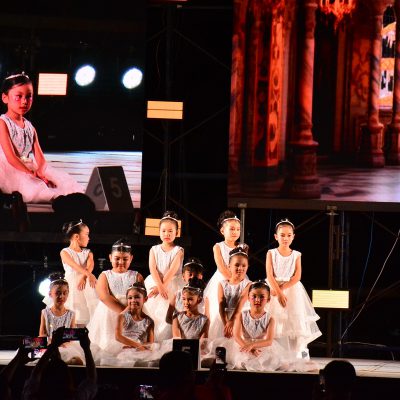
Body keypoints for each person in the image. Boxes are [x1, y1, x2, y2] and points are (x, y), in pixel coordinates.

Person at [0, 72, 83, 203]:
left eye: (29, 96)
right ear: (5, 98)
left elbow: (40, 158)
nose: (24, 101)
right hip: (10, 167)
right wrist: (31, 174)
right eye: (18, 97)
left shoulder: (30, 127)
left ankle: (68, 200)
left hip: (27, 165)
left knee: (61, 182)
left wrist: (40, 171)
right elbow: (11, 157)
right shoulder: (3, 122)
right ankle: (58, 200)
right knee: (34, 186)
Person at [265, 218, 322, 359]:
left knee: (296, 322)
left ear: (293, 236)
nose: (285, 238)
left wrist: (283, 290)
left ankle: (300, 355)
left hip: (292, 290)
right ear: (276, 236)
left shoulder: (296, 254)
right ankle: (274, 355)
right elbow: (269, 274)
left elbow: (297, 276)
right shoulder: (271, 253)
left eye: (289, 235)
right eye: (282, 235)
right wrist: (278, 292)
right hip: (273, 288)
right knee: (274, 321)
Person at [87, 239, 144, 355]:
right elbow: (104, 297)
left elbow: (140, 297)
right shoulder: (105, 275)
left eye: (125, 259)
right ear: (110, 257)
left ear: (131, 258)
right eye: (117, 258)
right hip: (110, 314)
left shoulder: (137, 276)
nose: (121, 262)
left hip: (133, 312)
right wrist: (126, 314)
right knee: (108, 345)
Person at [22, 326, 97, 400]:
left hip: (59, 347)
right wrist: (86, 347)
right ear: (68, 379)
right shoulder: (76, 397)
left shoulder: (32, 396)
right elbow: (91, 379)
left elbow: (35, 374)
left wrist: (53, 345)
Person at [143, 210, 185, 341]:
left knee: (170, 312)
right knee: (152, 311)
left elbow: (172, 270)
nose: (167, 234)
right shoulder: (154, 249)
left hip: (172, 283)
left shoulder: (178, 250)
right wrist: (159, 286)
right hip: (155, 281)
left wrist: (162, 287)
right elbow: (152, 269)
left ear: (176, 233)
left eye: (170, 231)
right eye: (164, 231)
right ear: (159, 232)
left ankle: (169, 339)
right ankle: (151, 339)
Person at [204, 210, 242, 341]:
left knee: (239, 307)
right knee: (218, 309)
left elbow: (243, 265)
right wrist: (232, 281)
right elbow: (221, 266)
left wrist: (238, 282)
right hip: (222, 280)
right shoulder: (218, 247)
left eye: (238, 229)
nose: (235, 232)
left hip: (239, 279)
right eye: (232, 229)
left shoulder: (242, 247)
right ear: (222, 231)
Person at [58, 219, 98, 327]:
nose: (89, 238)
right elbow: (75, 266)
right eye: (87, 234)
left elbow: (90, 266)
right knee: (72, 314)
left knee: (87, 315)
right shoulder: (65, 252)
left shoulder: (88, 252)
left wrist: (85, 276)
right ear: (76, 236)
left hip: (86, 285)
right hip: (71, 286)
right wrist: (88, 274)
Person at [39, 272, 84, 364]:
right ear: (50, 294)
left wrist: (63, 343)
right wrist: (50, 342)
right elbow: (42, 334)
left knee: (77, 360)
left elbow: (72, 335)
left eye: (64, 293)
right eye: (58, 293)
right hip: (50, 345)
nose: (61, 296)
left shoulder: (71, 314)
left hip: (65, 346)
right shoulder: (45, 312)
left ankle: (63, 362)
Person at [153, 350, 232, 400]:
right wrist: (217, 387)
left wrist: (210, 382)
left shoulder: (163, 396)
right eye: (192, 370)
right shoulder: (208, 394)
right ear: (188, 376)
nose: (194, 373)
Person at [210, 245, 251, 340]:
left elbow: (240, 305)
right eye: (237, 265)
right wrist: (226, 324)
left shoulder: (248, 284)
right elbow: (221, 305)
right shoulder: (222, 284)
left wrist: (232, 321)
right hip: (224, 318)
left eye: (244, 266)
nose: (240, 268)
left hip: (240, 318)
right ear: (229, 266)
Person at [114, 282, 155, 366]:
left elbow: (150, 343)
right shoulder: (122, 317)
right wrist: (136, 345)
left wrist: (141, 347)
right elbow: (118, 337)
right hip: (125, 350)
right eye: (130, 298)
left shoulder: (149, 321)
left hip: (141, 352)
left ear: (145, 299)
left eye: (137, 297)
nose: (133, 300)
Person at [166, 257, 209, 324]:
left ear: (201, 276)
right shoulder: (177, 295)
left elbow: (207, 319)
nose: (192, 277)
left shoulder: (205, 296)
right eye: (190, 274)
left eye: (196, 274)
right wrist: (180, 326)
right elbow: (168, 318)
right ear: (183, 276)